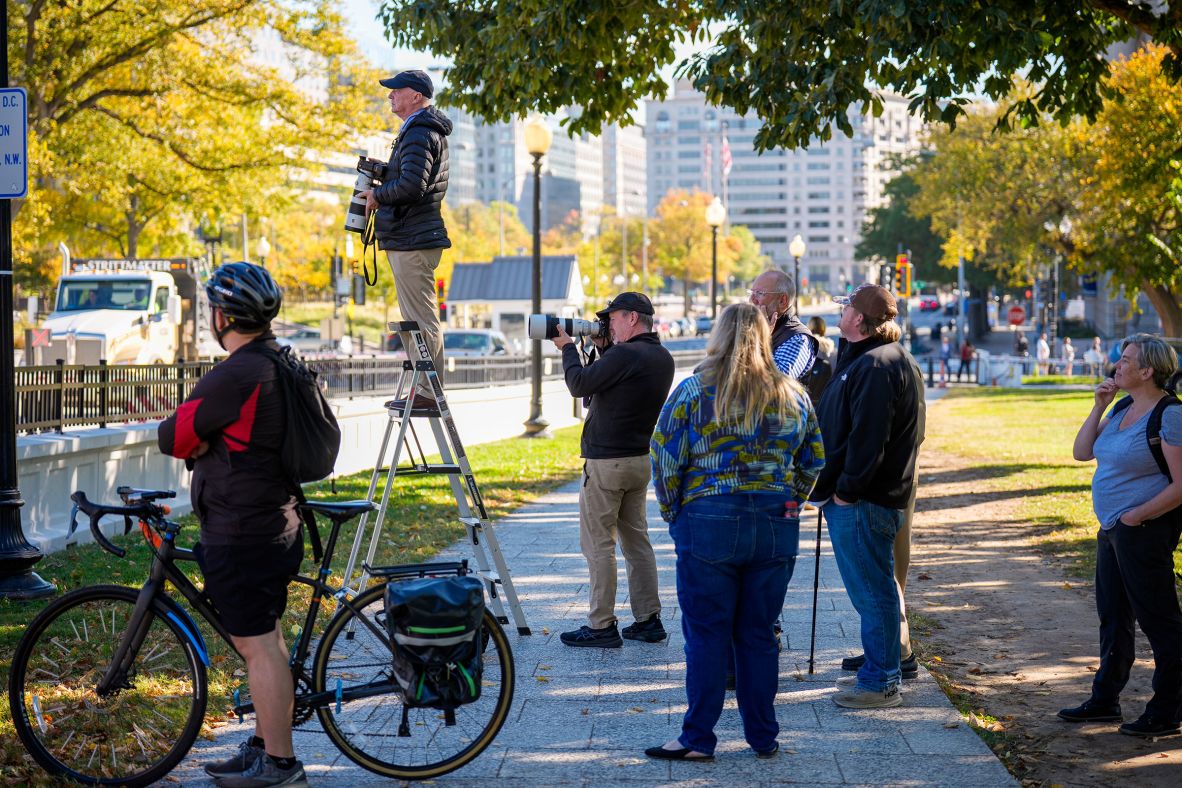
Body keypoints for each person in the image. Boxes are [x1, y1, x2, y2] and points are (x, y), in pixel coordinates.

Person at [647, 303, 825, 761]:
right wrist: (790, 505)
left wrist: (674, 511)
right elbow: (813, 461)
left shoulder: (692, 391)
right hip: (775, 521)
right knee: (758, 633)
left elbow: (665, 456)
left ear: (718, 336)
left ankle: (698, 738)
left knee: (706, 632)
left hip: (708, 517)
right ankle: (763, 736)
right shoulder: (793, 394)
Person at [158, 263, 308, 786]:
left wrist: (202, 443)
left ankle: (281, 766)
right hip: (277, 521)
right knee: (268, 637)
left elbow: (172, 436)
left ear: (221, 315)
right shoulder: (278, 360)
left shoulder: (237, 373)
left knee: (256, 645)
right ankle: (265, 744)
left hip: (244, 530)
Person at [1060, 334, 1182, 738]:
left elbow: (1181, 485)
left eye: (1126, 360)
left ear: (1148, 371)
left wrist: (1135, 517)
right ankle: (1104, 700)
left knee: (1159, 621)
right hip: (1113, 529)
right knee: (1113, 617)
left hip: (1143, 531)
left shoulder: (1170, 416)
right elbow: (1081, 452)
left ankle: (1167, 710)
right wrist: (1099, 407)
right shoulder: (1125, 405)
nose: (1117, 365)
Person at [812, 284, 925, 709]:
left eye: (846, 308)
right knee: (873, 591)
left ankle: (880, 682)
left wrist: (845, 491)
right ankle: (877, 671)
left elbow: (868, 440)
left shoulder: (879, 365)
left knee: (874, 592)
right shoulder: (869, 358)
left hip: (864, 501)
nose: (840, 313)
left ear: (859, 319)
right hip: (864, 499)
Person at [552, 292, 675, 648]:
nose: (608, 324)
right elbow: (617, 383)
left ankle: (601, 624)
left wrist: (567, 348)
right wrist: (605, 350)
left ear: (633, 318)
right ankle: (649, 620)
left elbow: (579, 384)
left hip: (606, 464)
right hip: (638, 461)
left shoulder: (625, 354)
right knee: (637, 543)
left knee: (598, 546)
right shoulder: (660, 357)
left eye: (613, 317)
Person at [363, 69, 452, 411]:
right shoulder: (418, 132)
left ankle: (429, 393)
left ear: (416, 96)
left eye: (396, 91)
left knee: (420, 319)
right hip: (411, 235)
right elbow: (415, 179)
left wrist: (378, 196)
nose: (390, 96)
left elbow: (413, 187)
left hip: (413, 238)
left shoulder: (418, 133)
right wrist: (386, 176)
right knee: (415, 318)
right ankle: (425, 388)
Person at [748, 269, 816, 379]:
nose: (752, 300)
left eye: (759, 293)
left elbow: (775, 382)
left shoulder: (798, 338)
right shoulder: (749, 329)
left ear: (782, 301)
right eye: (751, 293)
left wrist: (762, 338)